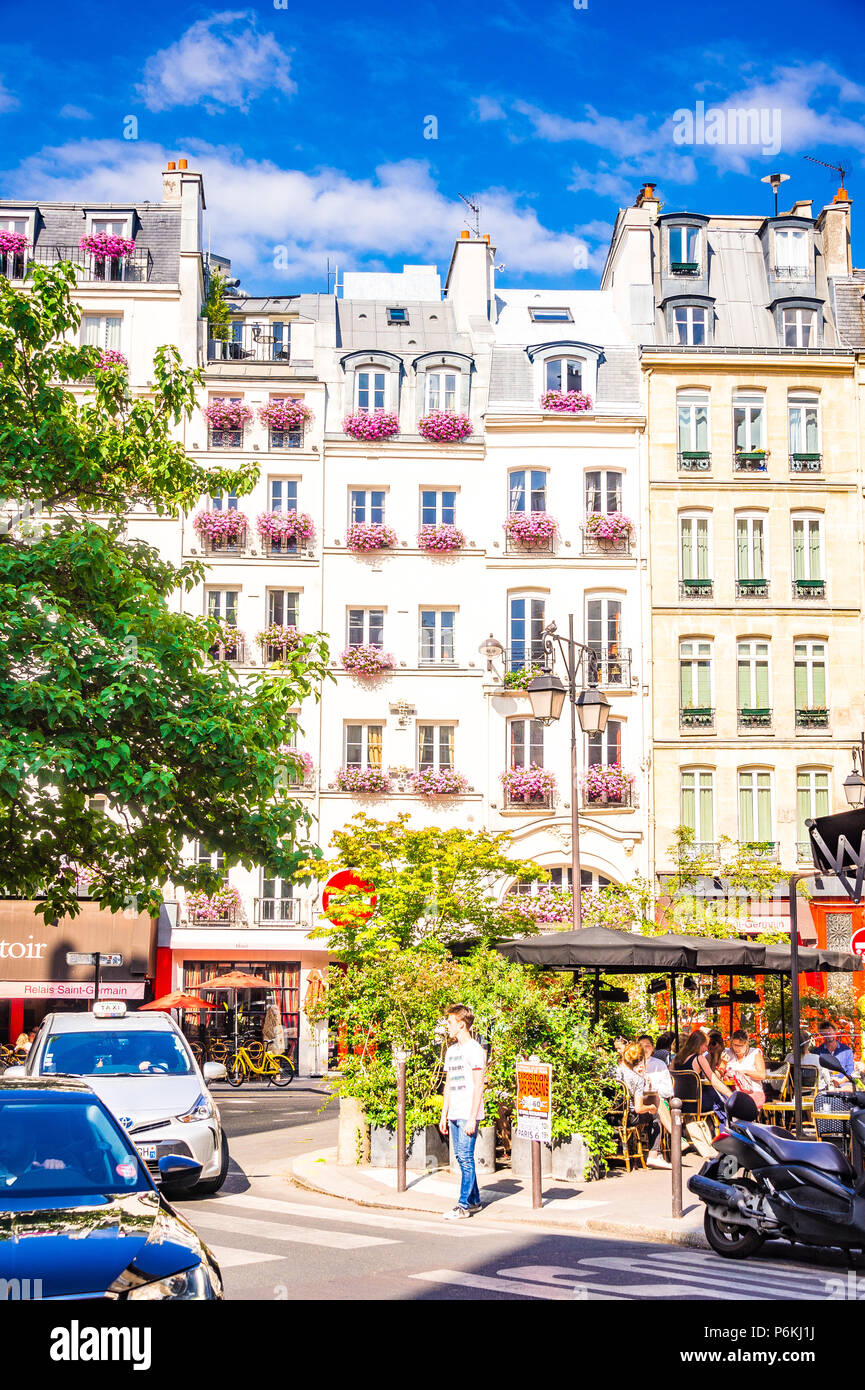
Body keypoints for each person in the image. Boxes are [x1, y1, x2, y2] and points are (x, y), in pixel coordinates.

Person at [438, 1003, 486, 1220]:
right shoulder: (452, 1051)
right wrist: (444, 1114)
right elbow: (447, 1084)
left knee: (465, 1158)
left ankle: (463, 1205)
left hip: (468, 1112)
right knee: (460, 1156)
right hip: (455, 1111)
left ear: (461, 1024)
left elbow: (479, 1086)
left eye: (450, 1022)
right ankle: (474, 1200)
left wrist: (472, 1118)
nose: (447, 1026)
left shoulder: (475, 1050)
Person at [620, 1042, 672, 1169]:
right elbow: (638, 1108)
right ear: (640, 1059)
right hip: (628, 1117)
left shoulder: (614, 1070)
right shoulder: (637, 1079)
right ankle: (654, 1155)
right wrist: (650, 1108)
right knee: (655, 1114)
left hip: (611, 1115)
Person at [722, 1029, 767, 1109]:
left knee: (737, 1104)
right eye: (734, 1045)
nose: (737, 1048)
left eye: (740, 1046)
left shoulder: (754, 1053)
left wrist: (744, 1072)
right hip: (732, 1092)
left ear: (746, 1044)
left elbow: (762, 1075)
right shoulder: (728, 1052)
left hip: (753, 1091)